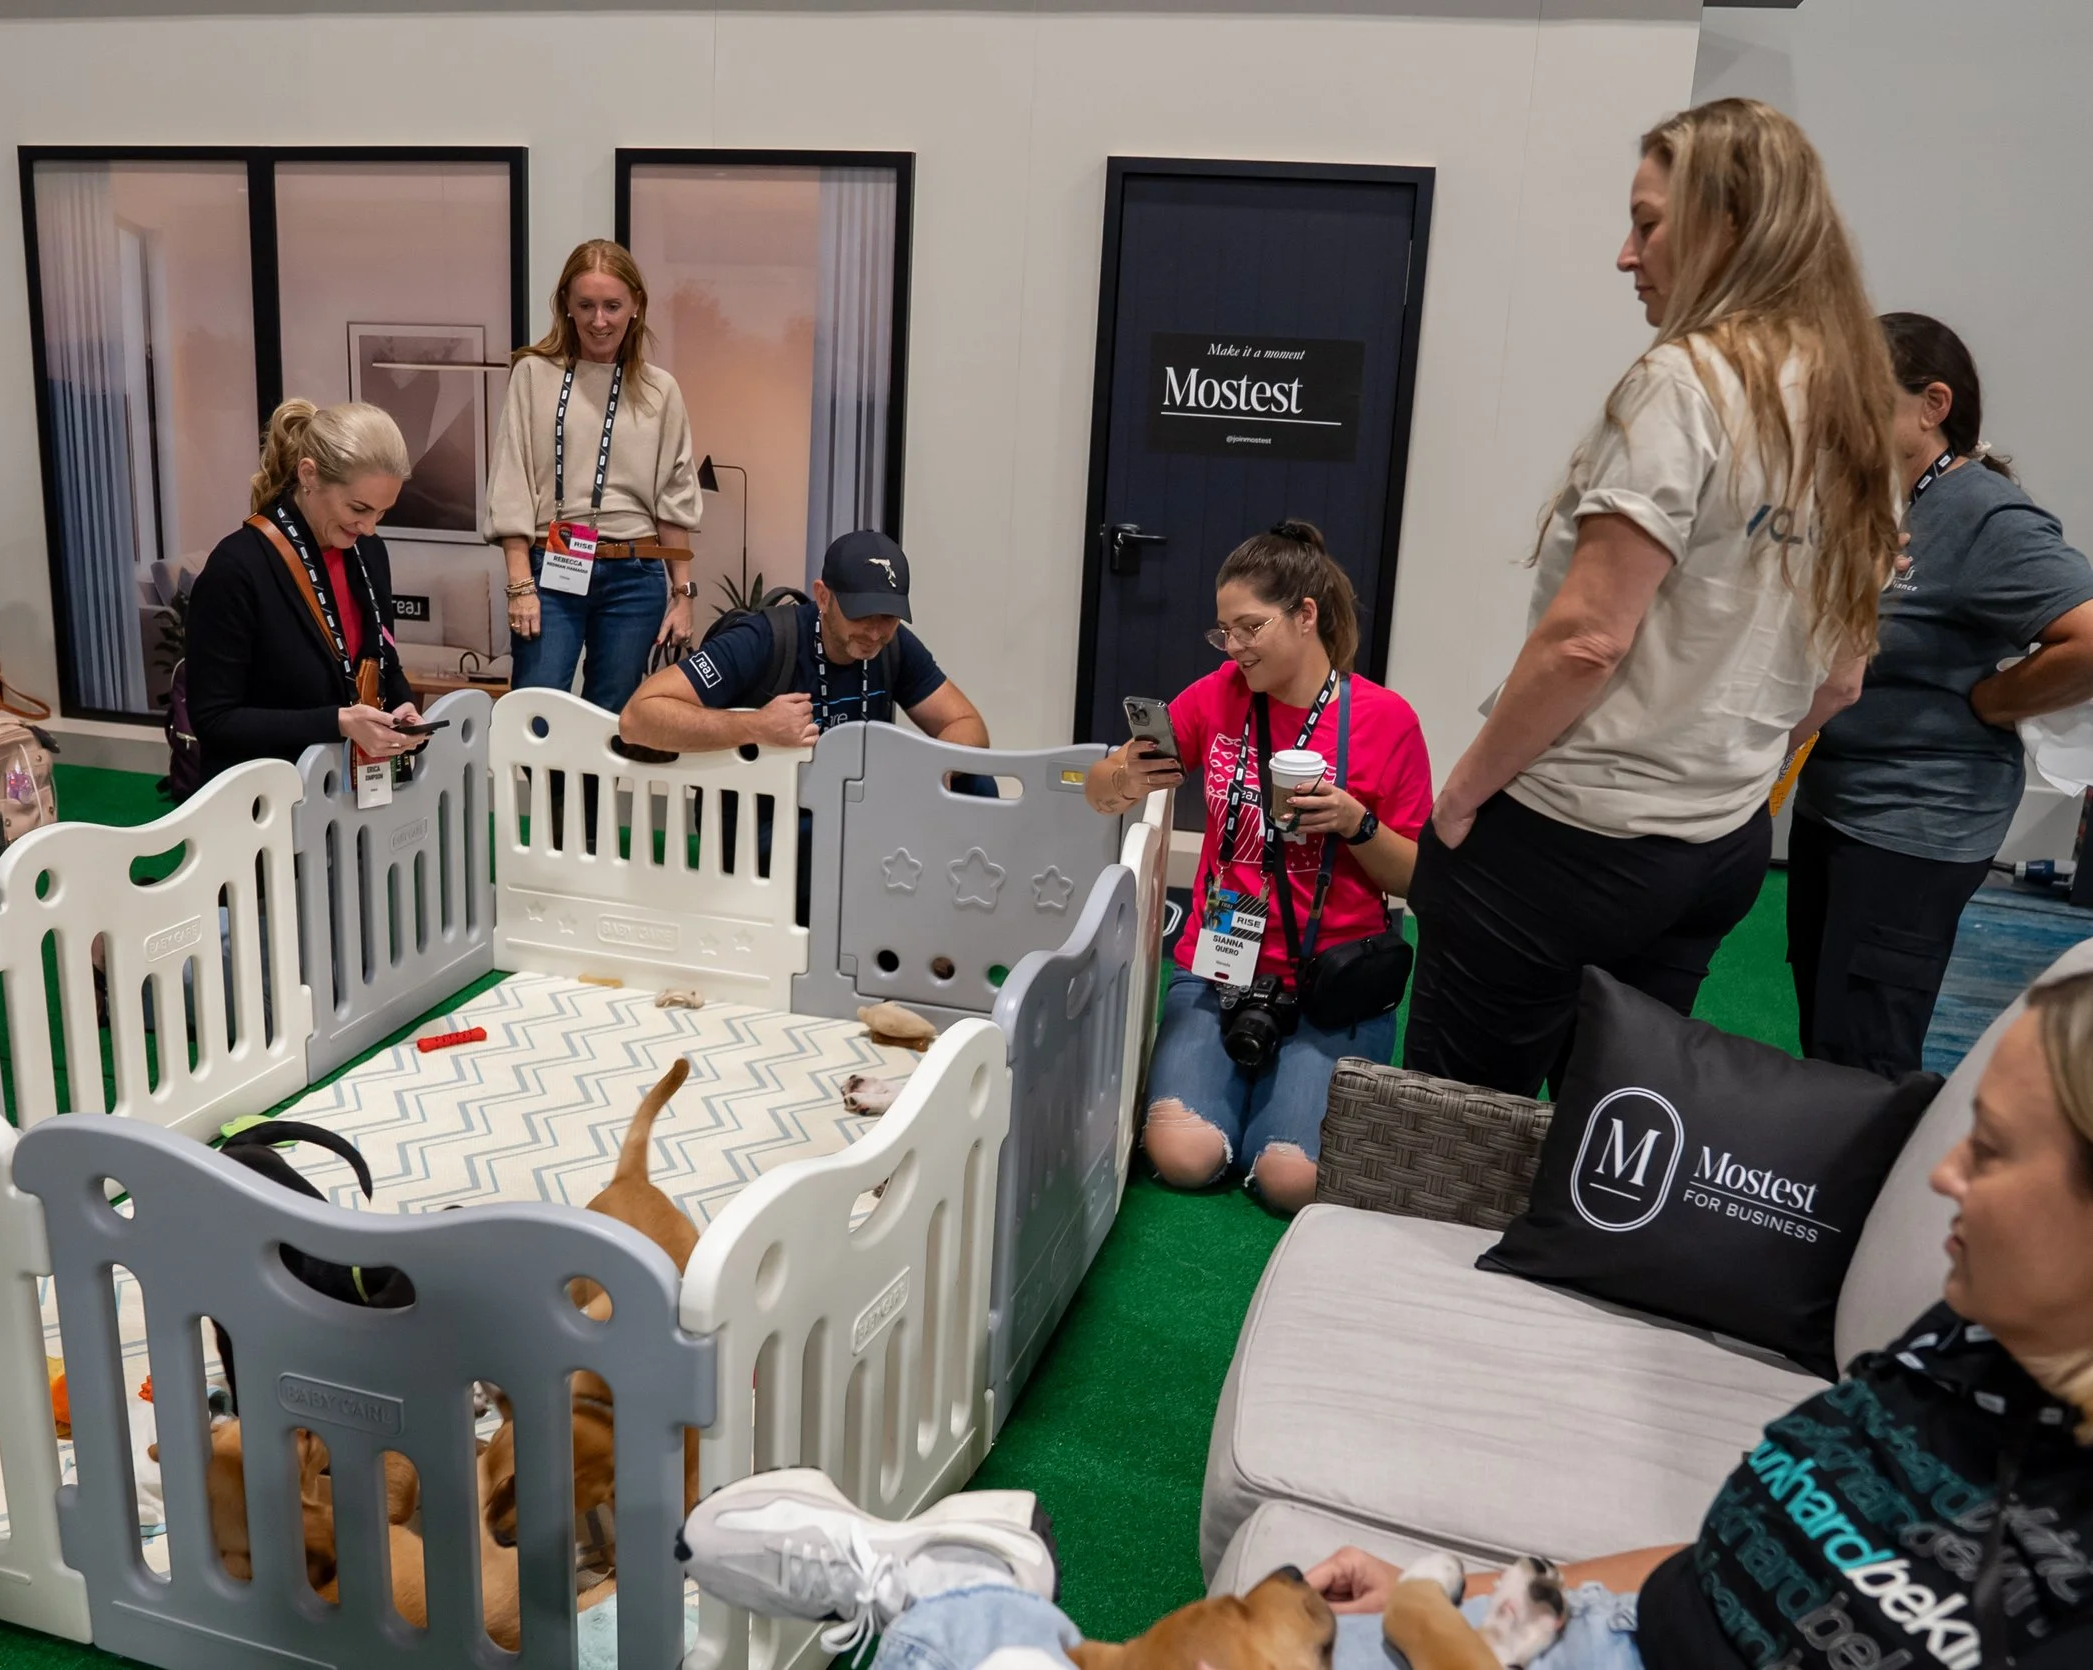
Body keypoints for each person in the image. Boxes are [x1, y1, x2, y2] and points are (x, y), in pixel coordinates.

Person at [681, 966, 2093, 1667]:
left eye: (1994, 1148)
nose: (1947, 1174)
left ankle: (946, 1591)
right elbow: (1730, 1544)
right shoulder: (1960, 1346)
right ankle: (957, 1594)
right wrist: (1476, 1583)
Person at [1404, 98, 1901, 1098]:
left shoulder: (1686, 382)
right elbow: (1841, 680)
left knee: (1453, 1131)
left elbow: (1586, 639)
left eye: (1648, 224)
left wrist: (1458, 797)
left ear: (1728, 225)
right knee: (1615, 1138)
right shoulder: (1854, 410)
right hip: (1718, 847)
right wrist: (1723, 772)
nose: (1625, 256)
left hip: (1569, 834)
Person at [1083, 521, 1429, 1212]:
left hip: (1334, 983)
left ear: (1306, 615)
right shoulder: (1218, 695)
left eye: (1250, 627)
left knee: (1289, 1181)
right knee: (1184, 1155)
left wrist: (1355, 822)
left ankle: (1282, 1094)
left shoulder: (1386, 720)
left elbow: (1417, 878)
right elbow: (1098, 791)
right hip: (1219, 965)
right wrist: (1124, 777)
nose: (1235, 646)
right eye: (1224, 632)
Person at [1790, 314, 2093, 1078]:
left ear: (1933, 406)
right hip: (1838, 803)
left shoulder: (1985, 514)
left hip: (1916, 823)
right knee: (1823, 1029)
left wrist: (1993, 702)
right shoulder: (1876, 501)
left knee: (1863, 1056)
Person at [484, 238, 701, 713]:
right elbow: (512, 484)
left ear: (636, 306)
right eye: (586, 305)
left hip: (635, 574)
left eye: (612, 306)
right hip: (552, 565)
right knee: (536, 715)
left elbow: (674, 499)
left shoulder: (660, 390)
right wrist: (520, 586)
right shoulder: (532, 375)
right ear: (566, 304)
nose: (599, 320)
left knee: (610, 721)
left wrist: (683, 595)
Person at [183, 399, 432, 778]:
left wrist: (402, 708)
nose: (369, 527)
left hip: (345, 793)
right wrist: (337, 723)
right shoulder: (237, 568)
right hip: (265, 794)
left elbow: (383, 661)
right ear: (309, 475)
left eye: (382, 512)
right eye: (358, 508)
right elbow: (215, 720)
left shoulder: (369, 552)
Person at [618, 529, 985, 754]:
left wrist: (924, 773)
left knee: (974, 782)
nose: (875, 634)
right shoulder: (763, 639)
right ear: (823, 597)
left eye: (888, 618)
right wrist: (756, 727)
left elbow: (968, 724)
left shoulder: (895, 646)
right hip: (765, 825)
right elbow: (637, 717)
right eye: (861, 616)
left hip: (852, 822)